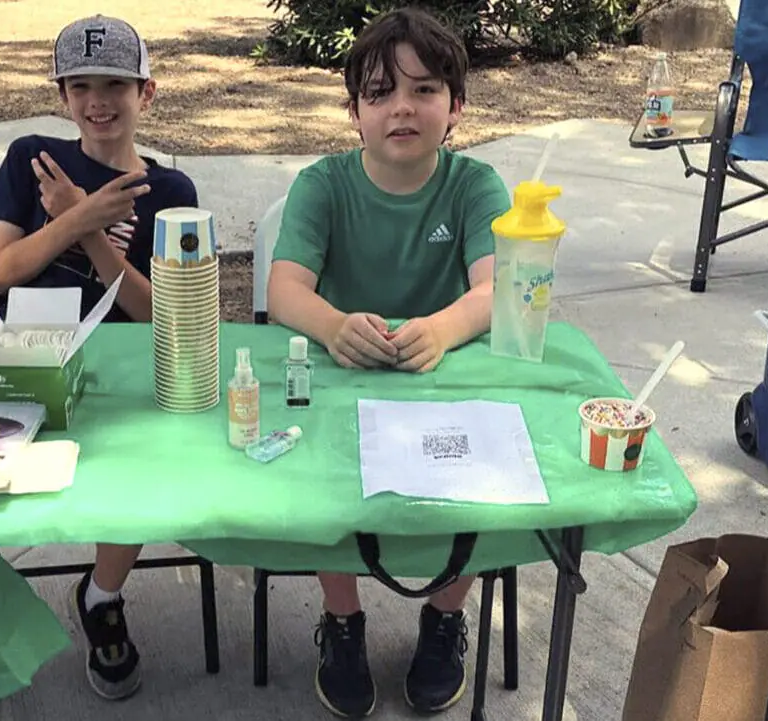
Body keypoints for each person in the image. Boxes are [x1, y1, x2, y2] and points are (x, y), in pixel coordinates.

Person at [0, 14, 198, 717]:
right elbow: (3, 268)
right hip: (20, 356)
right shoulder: (33, 156)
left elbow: (162, 314)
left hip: (120, 366)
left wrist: (90, 228)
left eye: (115, 85)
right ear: (63, 95)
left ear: (146, 93)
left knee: (143, 466)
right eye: (82, 85)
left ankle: (102, 595)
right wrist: (70, 214)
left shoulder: (171, 189)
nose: (99, 102)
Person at [265, 7, 512, 719]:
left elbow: (498, 290)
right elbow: (284, 290)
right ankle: (342, 619)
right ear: (354, 113)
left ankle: (443, 616)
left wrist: (440, 327)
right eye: (379, 93)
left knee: (499, 474)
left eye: (425, 89)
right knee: (318, 481)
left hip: (448, 386)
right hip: (344, 387)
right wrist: (335, 325)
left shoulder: (475, 185)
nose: (402, 107)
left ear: (456, 106)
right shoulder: (323, 184)